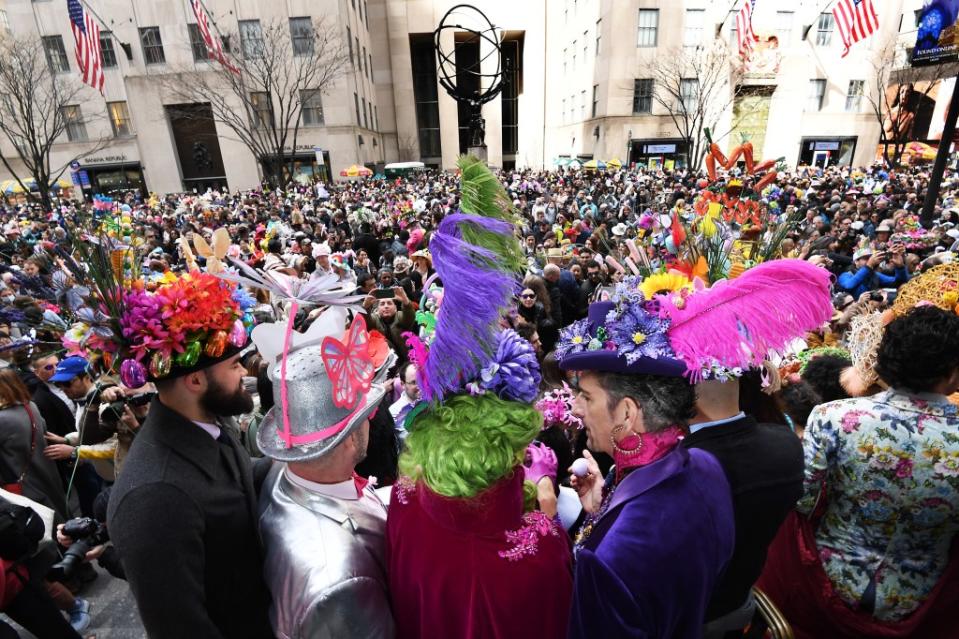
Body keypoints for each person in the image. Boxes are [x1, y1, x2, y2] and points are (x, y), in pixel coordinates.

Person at [759, 305, 959, 638]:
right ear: (952, 372)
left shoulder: (833, 416)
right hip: (921, 595)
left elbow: (803, 501)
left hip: (828, 577)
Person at [105, 273, 272, 638]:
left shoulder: (209, 419)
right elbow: (180, 628)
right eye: (233, 366)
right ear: (194, 381)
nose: (244, 373)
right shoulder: (154, 497)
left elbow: (236, 479)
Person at [558, 301, 735, 639]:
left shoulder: (609, 556)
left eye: (587, 397)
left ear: (626, 412)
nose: (576, 408)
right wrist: (603, 510)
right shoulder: (706, 466)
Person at [256, 312, 394, 638]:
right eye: (364, 414)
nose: (370, 421)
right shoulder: (340, 581)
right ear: (347, 441)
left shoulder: (285, 474)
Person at [388, 361, 419, 438]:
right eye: (414, 382)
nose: (420, 386)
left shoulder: (433, 399)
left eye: (422, 380)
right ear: (403, 384)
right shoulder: (394, 412)